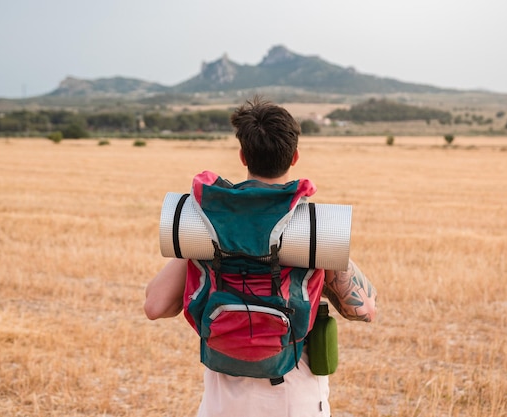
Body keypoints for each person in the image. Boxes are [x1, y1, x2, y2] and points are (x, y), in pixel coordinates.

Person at [145, 96, 377, 417]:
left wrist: (203, 242)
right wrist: (328, 250)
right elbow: (363, 310)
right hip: (294, 400)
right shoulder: (311, 229)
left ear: (243, 156)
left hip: (223, 401)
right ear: (294, 157)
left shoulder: (210, 225)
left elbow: (155, 307)